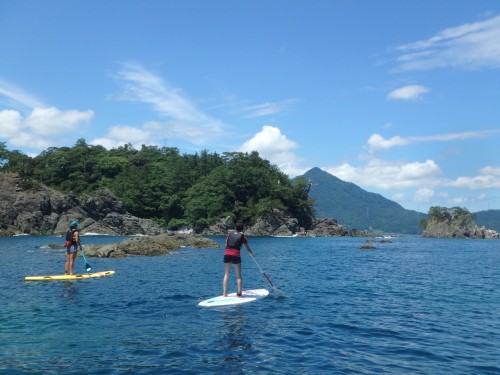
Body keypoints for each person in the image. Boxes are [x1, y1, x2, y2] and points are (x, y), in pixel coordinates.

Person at [223, 220, 253, 297]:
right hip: (235, 255)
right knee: (238, 276)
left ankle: (224, 294)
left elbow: (226, 243)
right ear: (242, 228)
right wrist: (251, 253)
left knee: (226, 274)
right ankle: (239, 294)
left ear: (235, 227)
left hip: (227, 254)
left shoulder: (229, 234)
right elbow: (247, 248)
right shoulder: (243, 236)